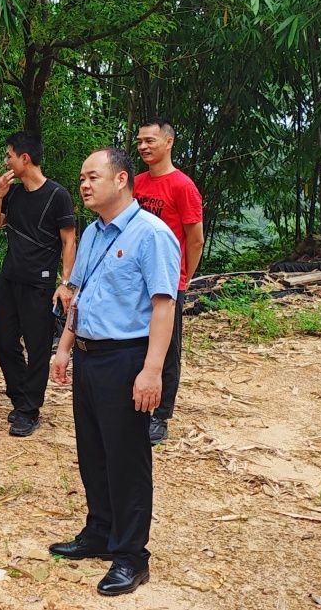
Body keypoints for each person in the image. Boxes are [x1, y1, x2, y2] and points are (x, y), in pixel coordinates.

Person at [48, 147, 180, 597]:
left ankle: (131, 556)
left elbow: (164, 306)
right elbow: (78, 294)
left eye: (93, 177)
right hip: (88, 357)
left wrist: (152, 371)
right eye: (82, 178)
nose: (84, 185)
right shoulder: (91, 233)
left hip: (126, 359)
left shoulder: (152, 234)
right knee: (94, 452)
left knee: (126, 460)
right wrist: (64, 349)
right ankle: (100, 532)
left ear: (121, 179)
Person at [0, 132, 77, 438]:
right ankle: (20, 397)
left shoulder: (57, 195)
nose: (6, 161)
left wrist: (66, 283)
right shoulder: (12, 193)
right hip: (9, 279)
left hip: (40, 283)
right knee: (5, 341)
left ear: (25, 158)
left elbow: (69, 240)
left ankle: (29, 409)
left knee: (38, 347)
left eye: (9, 155)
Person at [133, 118, 204, 444]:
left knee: (167, 349)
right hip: (136, 280)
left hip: (167, 282)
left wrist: (183, 277)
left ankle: (160, 416)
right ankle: (135, 404)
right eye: (139, 141)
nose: (143, 146)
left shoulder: (183, 186)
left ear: (169, 142)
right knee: (135, 344)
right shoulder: (136, 183)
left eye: (150, 140)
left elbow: (195, 239)